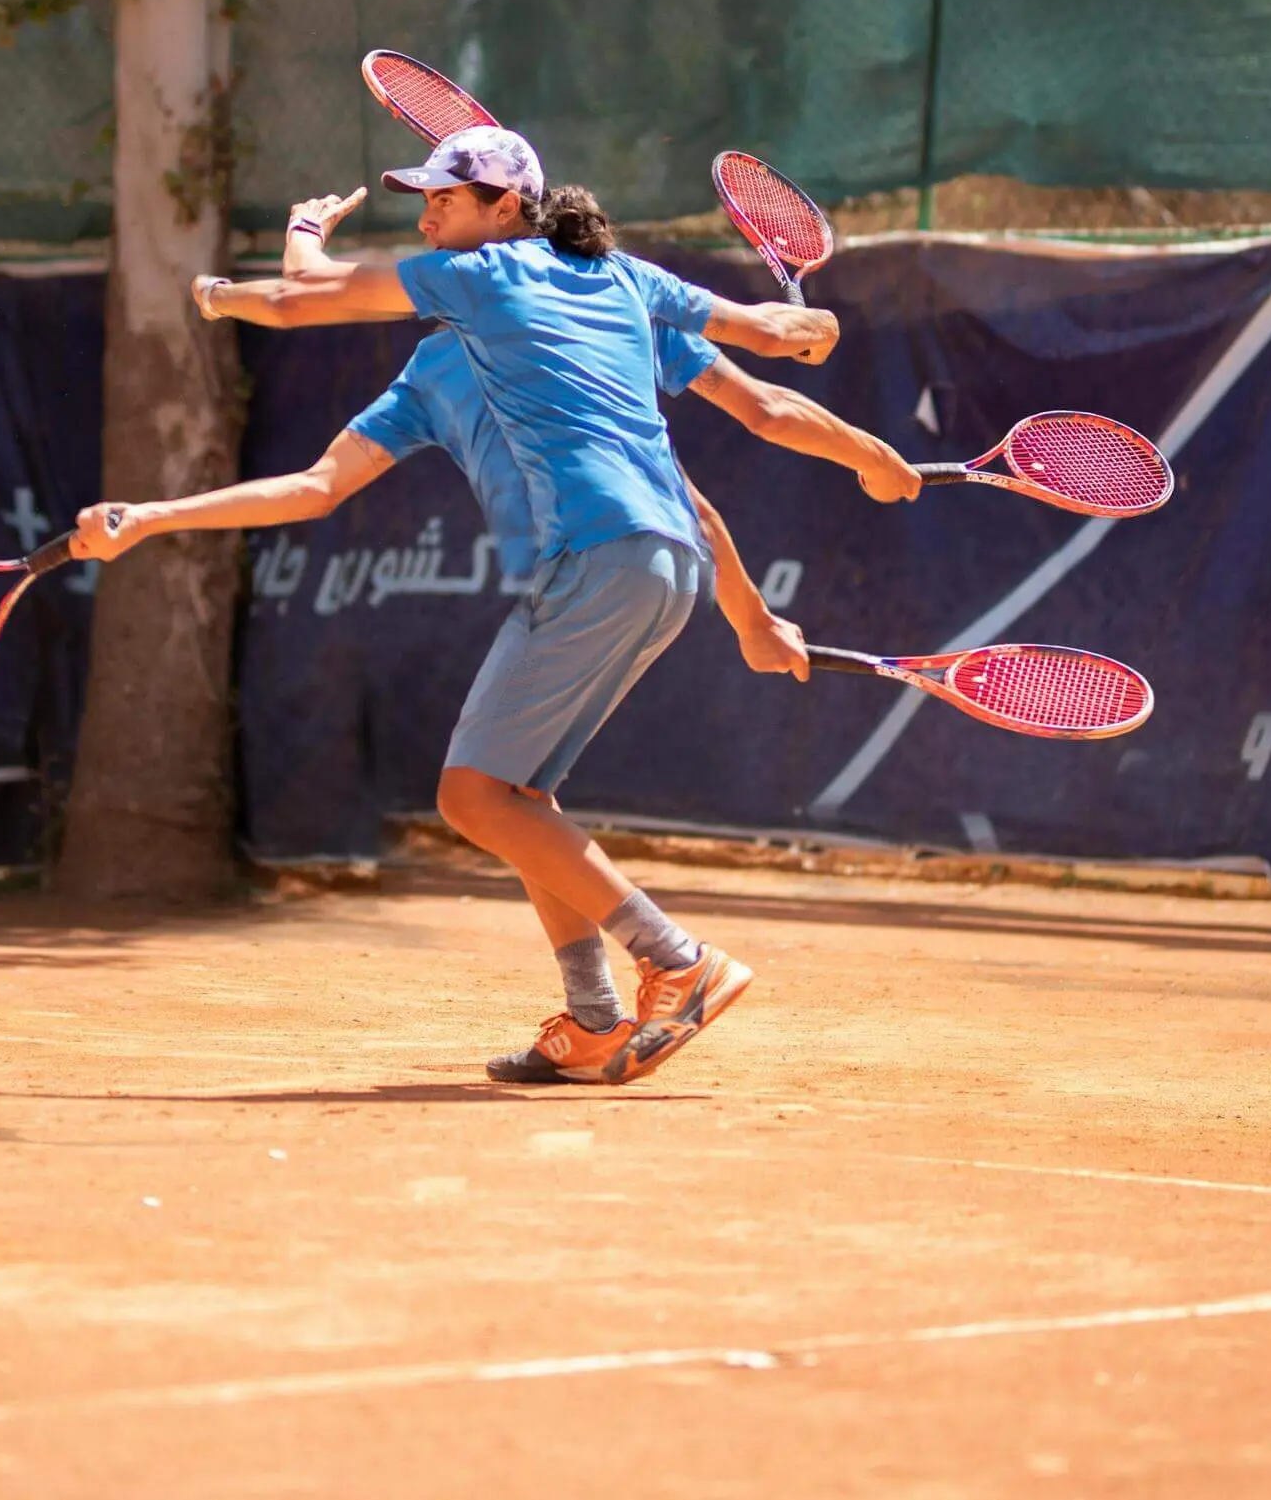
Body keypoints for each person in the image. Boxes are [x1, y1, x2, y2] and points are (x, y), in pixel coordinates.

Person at [76, 183, 919, 1081]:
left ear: (506, 209)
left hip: (596, 565)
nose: (427, 213)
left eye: (443, 196)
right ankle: (594, 1020)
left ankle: (675, 959)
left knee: (472, 797)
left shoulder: (512, 295)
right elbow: (741, 438)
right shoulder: (574, 313)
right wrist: (864, 470)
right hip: (660, 570)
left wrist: (276, 255)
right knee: (520, 797)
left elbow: (301, 305)